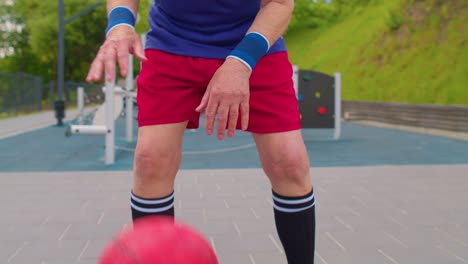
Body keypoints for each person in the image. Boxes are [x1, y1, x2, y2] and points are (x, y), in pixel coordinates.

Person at [86, 0, 316, 263]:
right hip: (172, 43)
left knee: (289, 161)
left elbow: (279, 3)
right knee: (151, 160)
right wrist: (120, 24)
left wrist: (241, 62)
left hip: (254, 42)